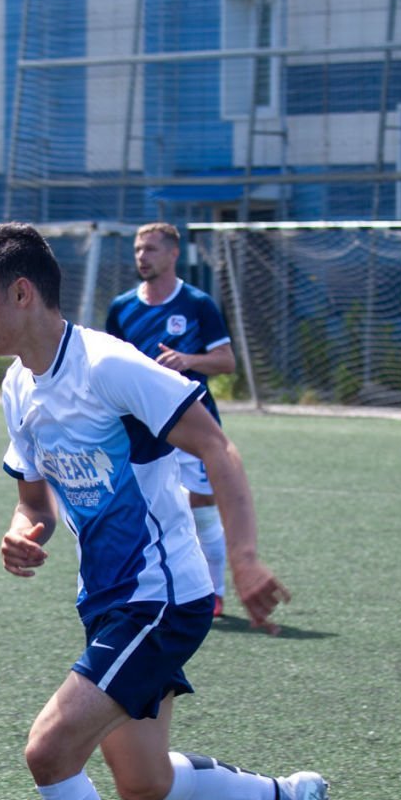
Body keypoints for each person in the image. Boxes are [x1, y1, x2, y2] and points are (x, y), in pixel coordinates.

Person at [0, 222, 331, 800]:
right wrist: (24, 532)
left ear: (21, 293)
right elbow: (32, 499)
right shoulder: (19, 387)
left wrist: (246, 559)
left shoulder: (109, 365)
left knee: (49, 750)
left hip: (159, 597)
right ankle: (289, 799)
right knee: (143, 780)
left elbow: (216, 446)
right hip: (107, 600)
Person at [104, 222, 236, 617]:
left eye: (150, 249)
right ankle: (150, 591)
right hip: (140, 429)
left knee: (202, 508)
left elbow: (226, 361)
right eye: (138, 250)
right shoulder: (122, 307)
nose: (142, 257)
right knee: (142, 511)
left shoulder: (197, 304)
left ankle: (214, 591)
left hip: (192, 426)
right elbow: (108, 362)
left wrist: (188, 360)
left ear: (174, 254)